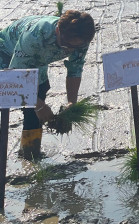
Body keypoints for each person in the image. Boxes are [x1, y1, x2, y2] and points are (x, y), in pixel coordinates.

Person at [0, 11, 95, 160]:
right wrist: (39, 105)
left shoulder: (81, 38)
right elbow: (15, 76)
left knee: (39, 94)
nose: (69, 50)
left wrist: (71, 102)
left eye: (74, 47)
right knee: (6, 98)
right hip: (7, 51)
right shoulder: (34, 36)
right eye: (66, 45)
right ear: (58, 30)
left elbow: (75, 68)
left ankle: (30, 152)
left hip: (39, 60)